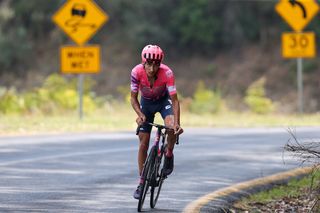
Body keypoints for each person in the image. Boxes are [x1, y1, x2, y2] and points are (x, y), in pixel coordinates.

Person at [130, 44, 183, 199]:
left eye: (156, 65)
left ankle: (169, 154)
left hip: (163, 102)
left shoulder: (167, 73)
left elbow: (175, 100)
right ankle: (141, 182)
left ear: (160, 64)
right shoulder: (136, 72)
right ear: (143, 62)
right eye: (149, 64)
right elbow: (133, 98)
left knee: (171, 126)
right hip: (146, 104)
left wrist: (177, 123)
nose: (152, 69)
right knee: (143, 142)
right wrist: (140, 114)